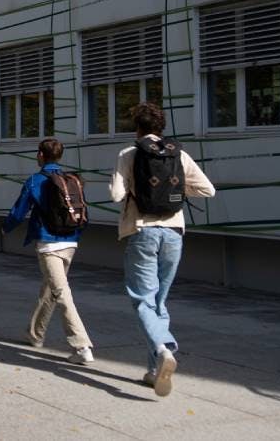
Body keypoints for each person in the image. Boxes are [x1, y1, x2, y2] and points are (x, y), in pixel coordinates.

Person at [110, 102, 215, 397]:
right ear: (161, 127)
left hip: (142, 230)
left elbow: (116, 194)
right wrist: (176, 190)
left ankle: (163, 348)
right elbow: (208, 190)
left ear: (138, 127)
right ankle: (155, 371)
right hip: (174, 232)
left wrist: (136, 188)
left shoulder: (129, 154)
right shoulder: (177, 153)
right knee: (160, 302)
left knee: (142, 301)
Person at [3, 138, 94, 364]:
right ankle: (35, 334)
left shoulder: (36, 180)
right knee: (50, 289)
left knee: (61, 292)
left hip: (49, 244)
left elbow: (18, 212)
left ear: (41, 155)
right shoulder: (70, 179)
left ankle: (81, 346)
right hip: (71, 242)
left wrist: (5, 228)